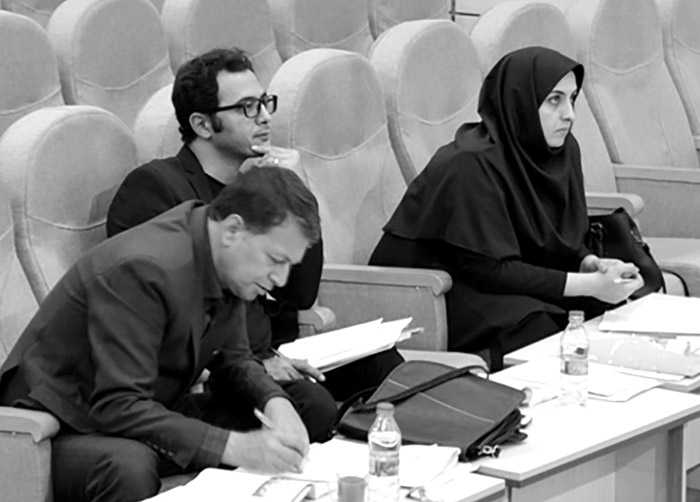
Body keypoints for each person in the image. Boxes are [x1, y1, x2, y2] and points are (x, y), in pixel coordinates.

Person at [0, 167, 337, 502]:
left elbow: (234, 360)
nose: (280, 279)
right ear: (233, 230)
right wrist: (233, 447)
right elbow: (118, 405)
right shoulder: (144, 268)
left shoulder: (225, 256)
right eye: (276, 260)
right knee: (129, 467)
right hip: (62, 426)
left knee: (309, 404)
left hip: (151, 409)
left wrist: (275, 403)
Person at [108, 47, 402, 400]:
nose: (264, 117)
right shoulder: (155, 187)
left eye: (264, 103)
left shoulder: (259, 187)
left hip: (275, 351)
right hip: (212, 371)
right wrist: (253, 366)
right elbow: (168, 317)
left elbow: (300, 293)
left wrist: (294, 189)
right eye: (247, 107)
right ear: (202, 124)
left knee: (384, 366)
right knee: (312, 402)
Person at [369, 47, 644, 370]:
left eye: (572, 99)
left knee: (600, 308)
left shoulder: (562, 151)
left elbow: (554, 237)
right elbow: (489, 270)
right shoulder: (469, 163)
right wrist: (588, 285)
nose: (569, 114)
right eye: (554, 100)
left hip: (505, 275)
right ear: (519, 102)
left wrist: (589, 264)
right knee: (541, 326)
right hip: (437, 289)